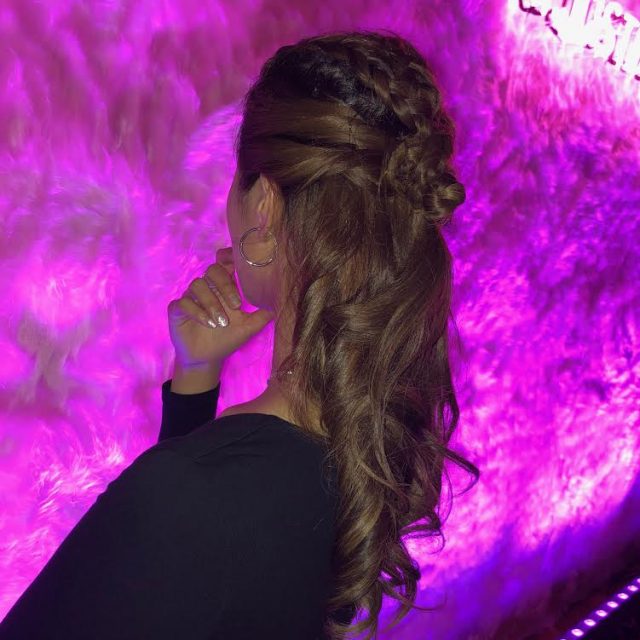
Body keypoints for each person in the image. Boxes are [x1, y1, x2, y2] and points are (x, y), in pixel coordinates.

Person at [0, 29, 479, 640]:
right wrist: (195, 382)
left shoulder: (187, 492)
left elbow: (191, 533)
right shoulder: (366, 443)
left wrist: (185, 445)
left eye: (235, 182)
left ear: (265, 207)